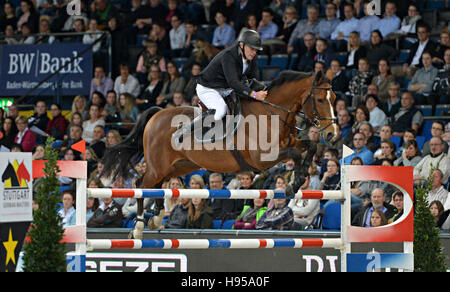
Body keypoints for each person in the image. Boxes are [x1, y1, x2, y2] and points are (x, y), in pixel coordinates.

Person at [196, 30, 267, 122]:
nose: (254, 52)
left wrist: (263, 90)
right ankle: (192, 127)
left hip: (227, 89)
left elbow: (253, 78)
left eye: (256, 50)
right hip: (208, 88)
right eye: (252, 49)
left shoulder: (251, 56)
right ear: (242, 45)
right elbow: (233, 82)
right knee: (221, 110)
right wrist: (254, 94)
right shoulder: (228, 55)